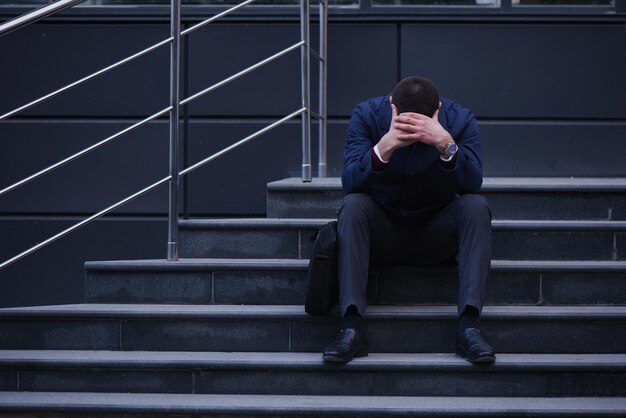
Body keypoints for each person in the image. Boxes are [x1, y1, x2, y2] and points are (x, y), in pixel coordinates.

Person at [322, 76, 495, 364]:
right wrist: (384, 148)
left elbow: (472, 184)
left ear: (438, 110)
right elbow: (349, 182)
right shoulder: (366, 115)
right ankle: (351, 327)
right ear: (392, 106)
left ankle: (469, 327)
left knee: (476, 207)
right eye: (406, 122)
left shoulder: (461, 119)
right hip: (383, 233)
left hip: (435, 233)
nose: (414, 131)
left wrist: (445, 144)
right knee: (353, 206)